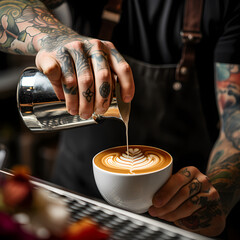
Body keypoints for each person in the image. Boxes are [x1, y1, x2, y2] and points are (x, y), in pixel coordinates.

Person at [1, 0, 240, 237]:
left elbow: (235, 129)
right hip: (75, 201)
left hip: (176, 216)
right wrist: (54, 38)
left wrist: (214, 196)